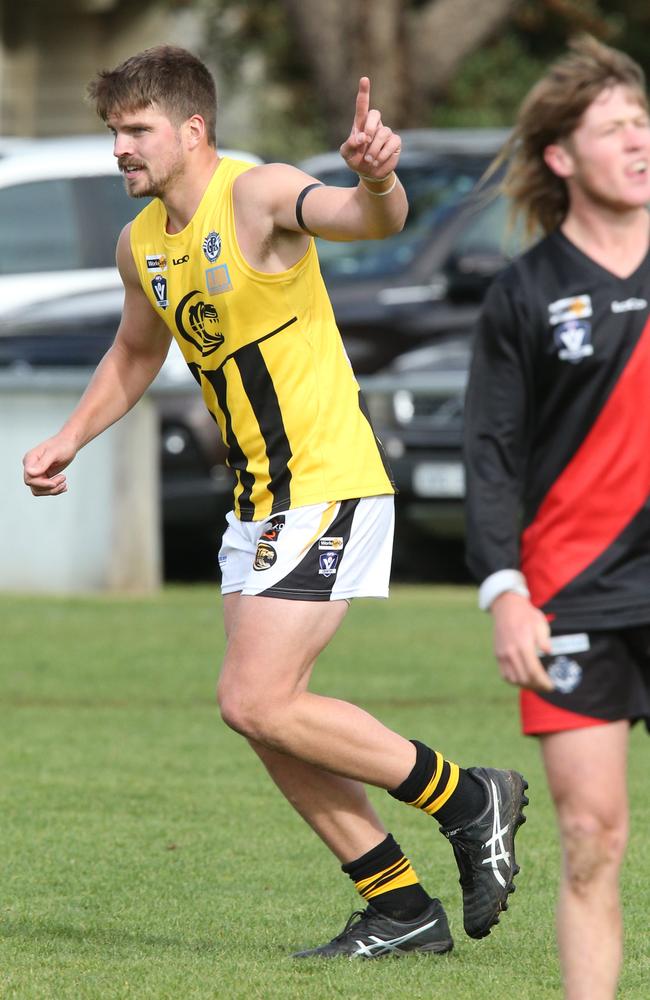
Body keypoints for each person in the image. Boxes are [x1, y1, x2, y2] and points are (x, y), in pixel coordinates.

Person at [23, 45, 528, 958]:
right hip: (258, 501)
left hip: (326, 480)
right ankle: (399, 909)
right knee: (263, 712)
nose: (120, 150)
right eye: (112, 133)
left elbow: (363, 220)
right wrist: (70, 436)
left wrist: (380, 182)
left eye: (136, 131)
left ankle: (470, 797)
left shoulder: (253, 194)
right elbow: (136, 354)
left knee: (255, 697)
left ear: (193, 129)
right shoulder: (141, 244)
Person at [463, 34, 650, 1000]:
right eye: (615, 127)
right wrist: (505, 591)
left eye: (644, 123)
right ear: (561, 158)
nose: (639, 141)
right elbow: (490, 456)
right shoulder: (524, 293)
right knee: (589, 836)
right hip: (572, 592)